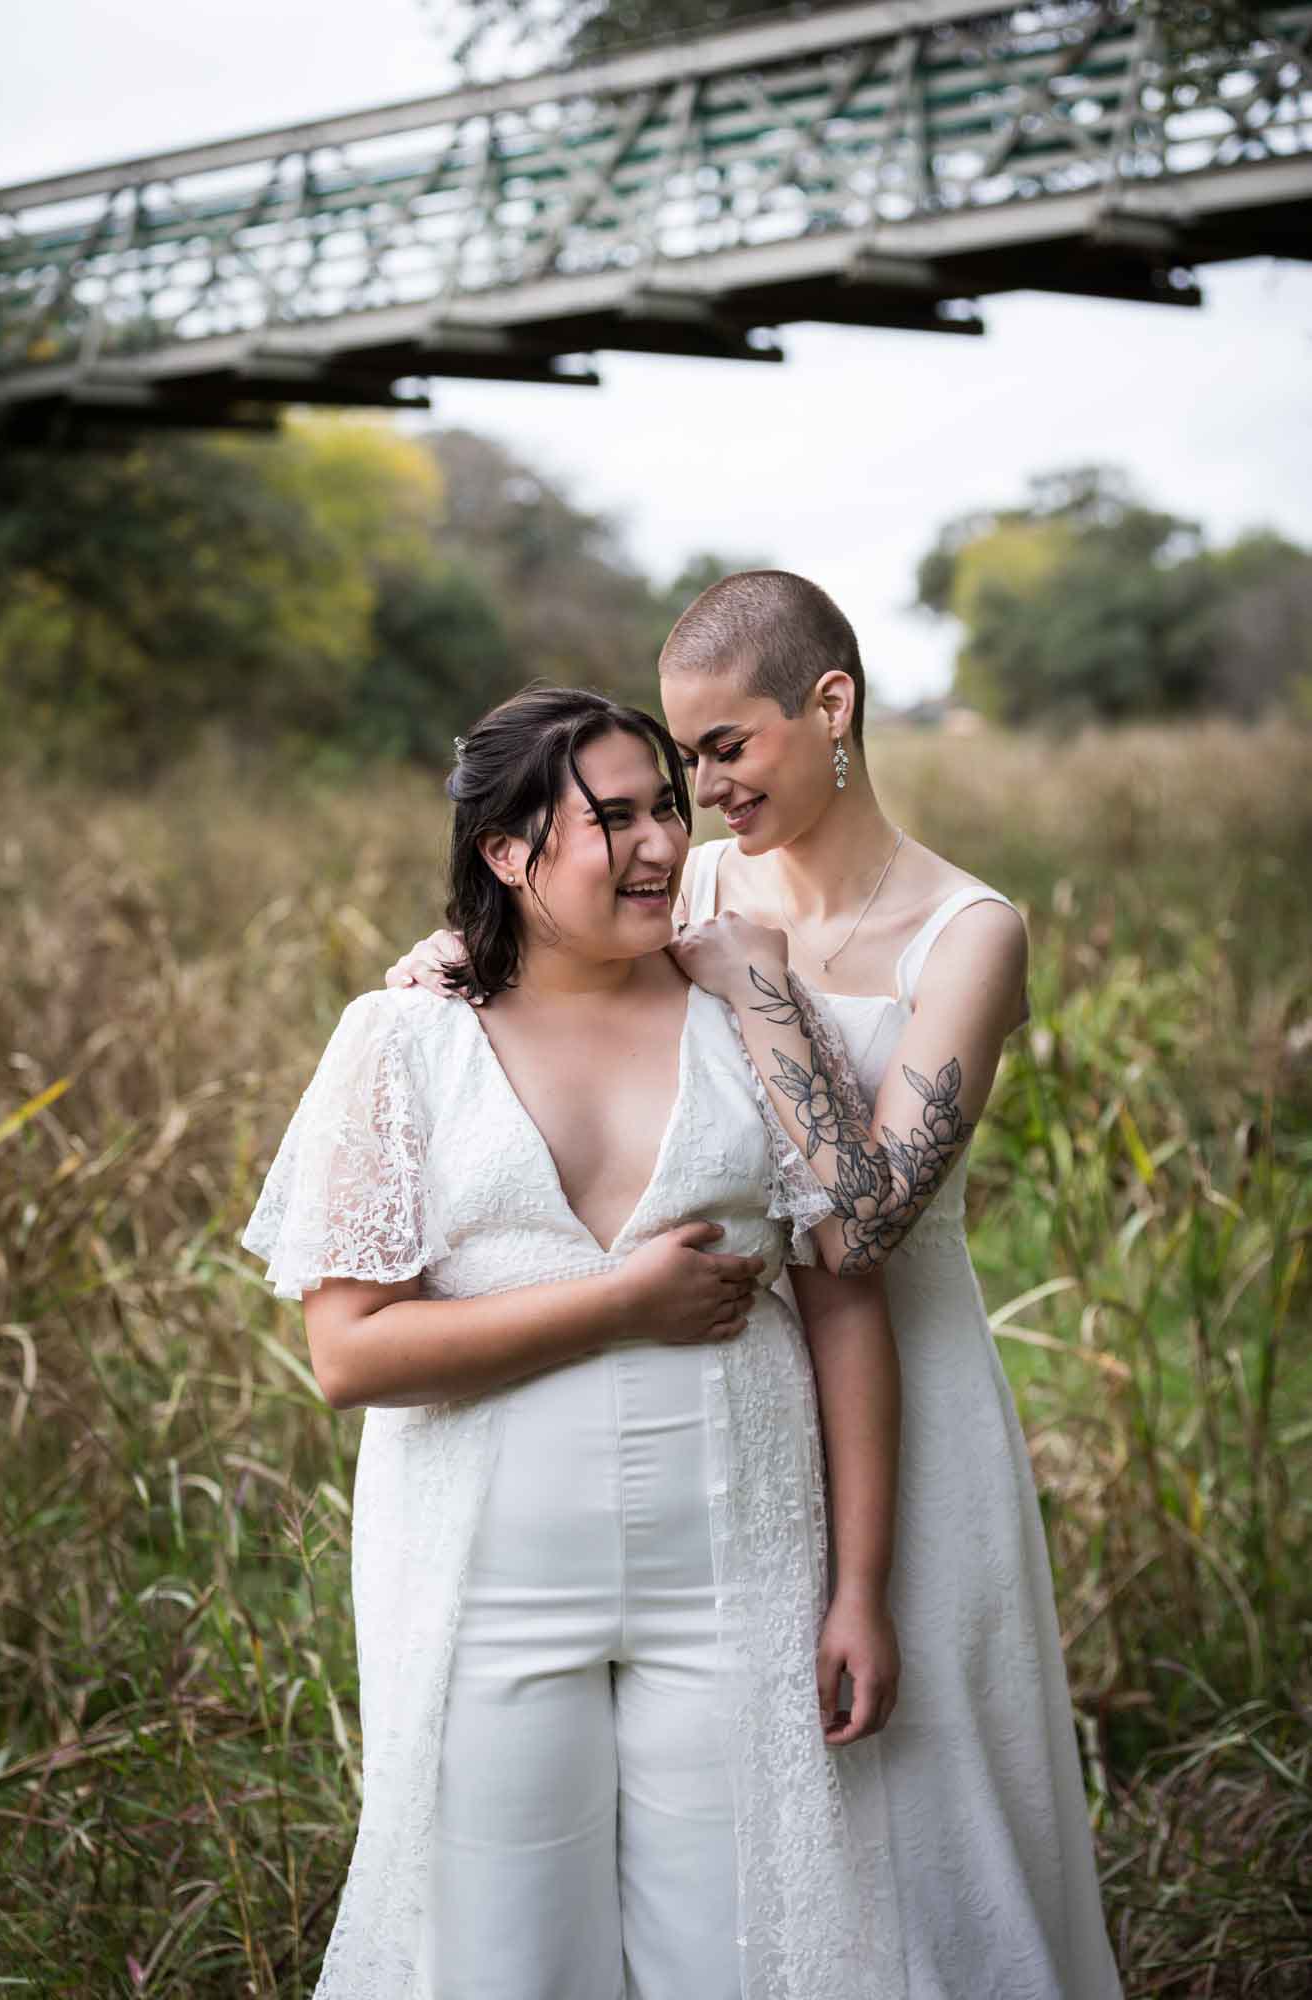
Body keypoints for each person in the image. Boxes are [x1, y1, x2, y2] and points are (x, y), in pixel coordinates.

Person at [388, 573, 1123, 2000]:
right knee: (750, 1826)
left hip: (906, 1388)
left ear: (828, 707)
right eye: (679, 763)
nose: (698, 794)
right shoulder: (694, 878)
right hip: (739, 1412)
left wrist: (764, 991)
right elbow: (538, 981)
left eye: (726, 748)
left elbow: (861, 1232)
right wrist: (441, 972)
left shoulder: (965, 933)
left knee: (913, 1790)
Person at [244, 684, 910, 2000]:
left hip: (738, 1575)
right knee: (500, 1961)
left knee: (738, 1956)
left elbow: (846, 1296)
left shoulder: (750, 1020)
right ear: (506, 850)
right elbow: (350, 1356)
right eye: (613, 817)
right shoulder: (401, 1040)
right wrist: (618, 1303)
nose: (664, 843)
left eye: (666, 805)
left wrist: (856, 1589)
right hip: (485, 1586)